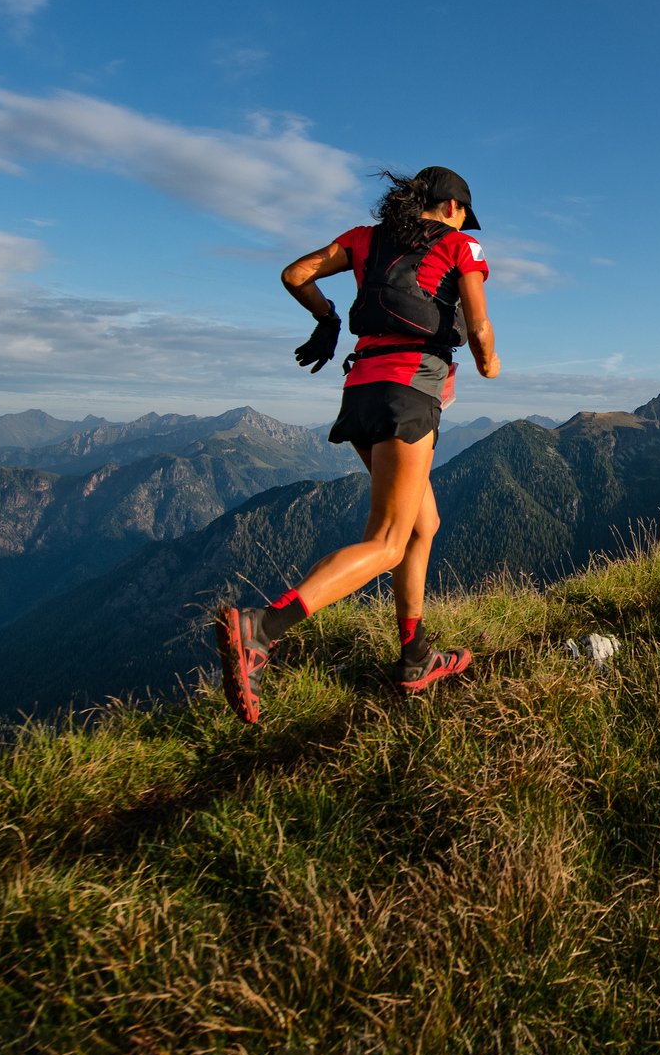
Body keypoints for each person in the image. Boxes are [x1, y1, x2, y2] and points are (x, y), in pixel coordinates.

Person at [212, 166, 501, 722]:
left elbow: (295, 273)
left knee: (422, 524)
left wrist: (327, 318)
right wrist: (488, 363)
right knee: (389, 541)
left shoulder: (363, 239)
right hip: (409, 391)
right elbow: (481, 326)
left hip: (360, 390)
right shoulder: (462, 245)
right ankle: (261, 629)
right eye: (464, 211)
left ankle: (415, 655)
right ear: (449, 206)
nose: (464, 220)